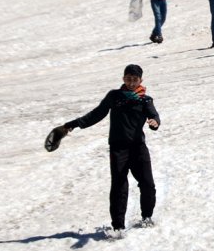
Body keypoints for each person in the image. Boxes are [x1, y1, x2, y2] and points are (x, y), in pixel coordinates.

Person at [61, 64, 161, 230]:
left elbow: (154, 116)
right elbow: (97, 114)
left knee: (147, 184)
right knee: (119, 186)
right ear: (123, 79)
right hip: (118, 148)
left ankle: (147, 216)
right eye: (128, 79)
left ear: (140, 80)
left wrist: (155, 122)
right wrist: (73, 124)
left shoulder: (145, 100)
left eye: (134, 80)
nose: (131, 82)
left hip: (138, 147)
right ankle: (118, 226)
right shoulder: (114, 96)